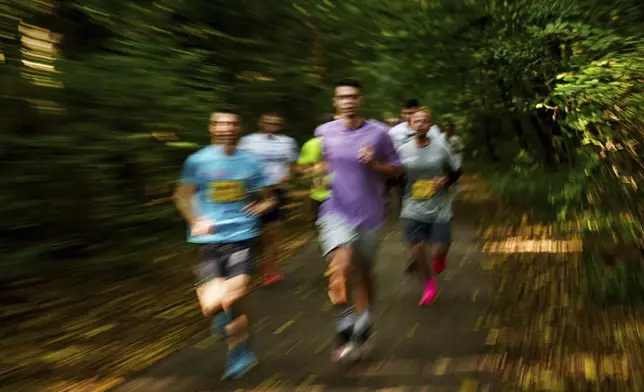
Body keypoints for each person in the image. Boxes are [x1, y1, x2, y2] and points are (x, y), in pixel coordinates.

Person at [173, 109, 276, 379]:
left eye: (231, 124)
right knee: (211, 305)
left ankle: (240, 353)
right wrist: (195, 220)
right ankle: (222, 316)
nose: (226, 128)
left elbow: (269, 197)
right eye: (221, 124)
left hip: (242, 235)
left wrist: (262, 206)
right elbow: (182, 196)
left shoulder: (250, 162)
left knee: (234, 296)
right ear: (211, 128)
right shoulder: (197, 161)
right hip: (209, 239)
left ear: (238, 128)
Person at [315, 78, 403, 363]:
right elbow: (317, 167)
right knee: (340, 268)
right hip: (334, 212)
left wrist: (375, 164)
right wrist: (315, 176)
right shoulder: (323, 132)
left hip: (369, 214)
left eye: (353, 97)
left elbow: (398, 171)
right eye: (342, 97)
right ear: (335, 102)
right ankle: (344, 326)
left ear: (360, 100)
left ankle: (363, 320)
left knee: (364, 273)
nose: (348, 101)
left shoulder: (380, 133)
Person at [396, 109, 462, 306]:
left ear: (429, 125)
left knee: (441, 248)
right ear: (410, 125)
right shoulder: (402, 150)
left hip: (439, 205)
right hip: (412, 205)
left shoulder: (441, 148)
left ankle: (439, 259)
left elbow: (456, 172)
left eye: (424, 121)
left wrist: (445, 180)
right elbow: (395, 177)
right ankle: (429, 284)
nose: (420, 124)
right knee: (417, 247)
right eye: (416, 121)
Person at [238, 113, 299, 286]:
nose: (271, 125)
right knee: (253, 234)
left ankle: (270, 269)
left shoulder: (287, 142)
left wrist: (284, 180)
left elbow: (292, 168)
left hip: (276, 191)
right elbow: (239, 164)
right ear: (261, 123)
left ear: (279, 125)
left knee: (272, 233)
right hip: (252, 192)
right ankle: (248, 267)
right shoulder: (248, 141)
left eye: (275, 122)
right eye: (267, 122)